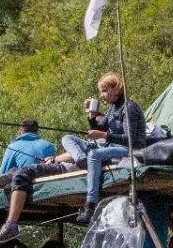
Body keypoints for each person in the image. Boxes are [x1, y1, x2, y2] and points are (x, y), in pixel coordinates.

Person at [60, 72, 146, 224]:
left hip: (129, 149)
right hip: (110, 146)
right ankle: (82, 160)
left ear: (116, 89)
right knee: (68, 138)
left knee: (94, 154)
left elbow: (130, 139)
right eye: (101, 91)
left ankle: (90, 205)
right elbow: (99, 127)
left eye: (105, 91)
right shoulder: (112, 108)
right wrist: (92, 116)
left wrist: (104, 135)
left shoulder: (129, 107)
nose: (102, 95)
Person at [0, 158, 79, 243]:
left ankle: (11, 225)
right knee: (18, 170)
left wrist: (54, 159)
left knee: (21, 174)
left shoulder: (75, 141)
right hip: (62, 166)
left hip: (64, 168)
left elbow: (76, 156)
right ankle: (7, 177)